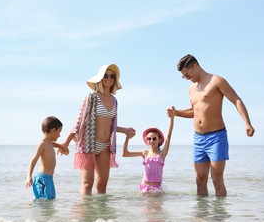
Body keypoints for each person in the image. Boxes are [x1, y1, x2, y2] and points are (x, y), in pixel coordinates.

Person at [167, 54, 255, 197]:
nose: (187, 78)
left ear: (195, 66)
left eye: (187, 75)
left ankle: (219, 218)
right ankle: (203, 217)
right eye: (184, 77)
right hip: (198, 138)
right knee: (200, 179)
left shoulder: (216, 81)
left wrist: (247, 123)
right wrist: (176, 113)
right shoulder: (191, 89)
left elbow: (236, 100)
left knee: (216, 179)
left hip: (216, 136)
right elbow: (195, 111)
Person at [59, 64, 135, 195]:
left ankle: (101, 215)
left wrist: (126, 130)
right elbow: (79, 120)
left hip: (105, 146)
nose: (109, 78)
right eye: (105, 75)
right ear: (100, 78)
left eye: (112, 76)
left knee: (102, 185)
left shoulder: (114, 100)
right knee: (88, 183)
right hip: (88, 145)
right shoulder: (92, 97)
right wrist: (66, 142)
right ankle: (85, 215)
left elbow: (111, 124)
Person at [122, 112, 174, 193]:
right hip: (145, 188)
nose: (151, 141)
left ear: (159, 140)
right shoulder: (145, 153)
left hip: (157, 189)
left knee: (158, 206)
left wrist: (172, 118)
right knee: (146, 206)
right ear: (147, 140)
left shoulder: (162, 154)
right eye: (149, 139)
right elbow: (125, 154)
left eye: (154, 138)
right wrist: (127, 138)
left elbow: (169, 136)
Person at [25, 116, 67, 199]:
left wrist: (62, 147)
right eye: (59, 132)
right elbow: (33, 160)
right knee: (44, 202)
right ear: (53, 130)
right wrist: (28, 176)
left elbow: (54, 144)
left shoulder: (49, 143)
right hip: (42, 179)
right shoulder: (42, 144)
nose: (59, 135)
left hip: (49, 179)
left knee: (51, 200)